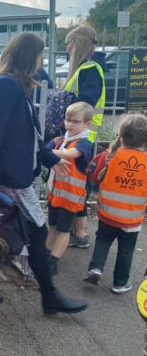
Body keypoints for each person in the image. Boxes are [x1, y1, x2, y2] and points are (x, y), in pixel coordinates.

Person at [0, 32, 88, 314]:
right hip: (7, 177)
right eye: (39, 56)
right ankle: (49, 295)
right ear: (28, 57)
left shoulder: (7, 85)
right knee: (35, 232)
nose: (41, 62)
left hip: (5, 174)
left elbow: (25, 135)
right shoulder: (5, 87)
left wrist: (48, 157)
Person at [84, 114, 147, 293]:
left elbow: (94, 176)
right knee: (126, 251)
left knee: (102, 240)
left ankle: (95, 268)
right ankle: (120, 283)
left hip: (107, 214)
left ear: (121, 134)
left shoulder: (110, 155)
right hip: (132, 219)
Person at [62, 25, 107, 250]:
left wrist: (68, 113)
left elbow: (85, 103)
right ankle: (77, 231)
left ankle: (79, 233)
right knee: (77, 183)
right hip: (80, 134)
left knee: (79, 184)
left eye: (70, 43)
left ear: (78, 44)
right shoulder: (88, 68)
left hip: (83, 136)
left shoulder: (89, 69)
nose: (67, 47)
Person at [45, 102, 94, 275]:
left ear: (87, 123)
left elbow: (68, 155)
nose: (70, 124)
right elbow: (45, 149)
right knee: (52, 226)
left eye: (75, 121)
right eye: (67, 119)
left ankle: (53, 261)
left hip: (70, 197)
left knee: (63, 230)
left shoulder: (84, 144)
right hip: (55, 195)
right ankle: (45, 255)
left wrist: (48, 152)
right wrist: (47, 151)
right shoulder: (60, 140)